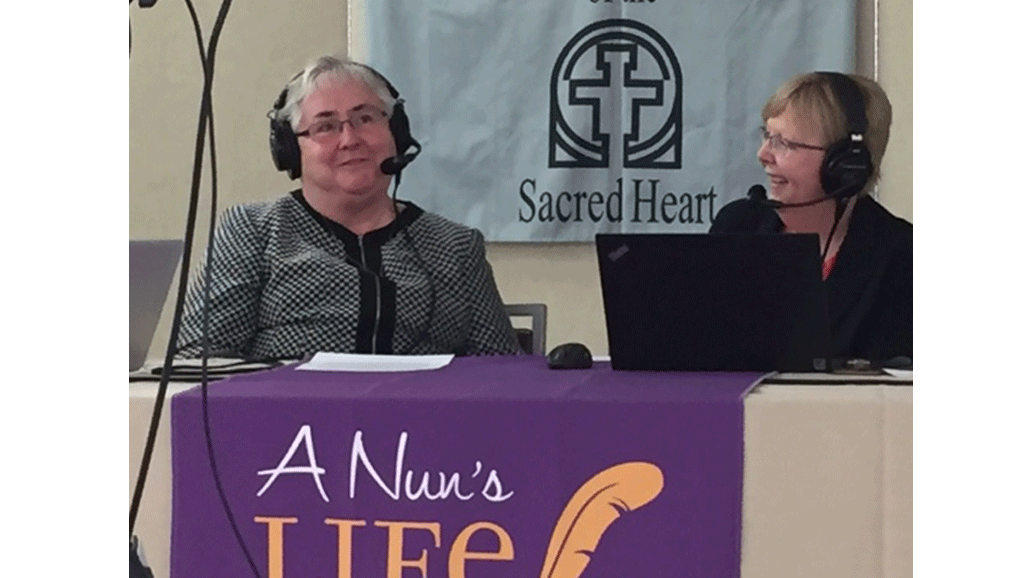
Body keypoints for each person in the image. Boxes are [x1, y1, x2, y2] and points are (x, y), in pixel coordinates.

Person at [176, 55, 521, 359]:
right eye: (325, 126)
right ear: (291, 150)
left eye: (366, 119)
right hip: (287, 427)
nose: (349, 139)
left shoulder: (455, 246)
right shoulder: (253, 230)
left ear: (396, 133)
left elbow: (503, 373)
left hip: (425, 427)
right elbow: (200, 360)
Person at [710, 72, 912, 362]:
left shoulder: (902, 257)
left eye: (784, 143)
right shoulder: (738, 226)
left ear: (845, 165)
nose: (763, 154)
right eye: (767, 136)